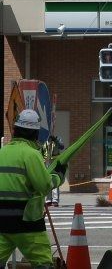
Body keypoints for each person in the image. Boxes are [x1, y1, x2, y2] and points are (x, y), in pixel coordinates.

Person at [0, 109, 67, 269]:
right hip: (27, 223)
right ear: (35, 133)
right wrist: (58, 175)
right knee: (43, 263)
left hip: (2, 223)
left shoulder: (2, 152)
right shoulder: (31, 155)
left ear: (15, 130)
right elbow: (44, 185)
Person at [42, 135, 64, 207]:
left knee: (54, 180)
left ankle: (55, 200)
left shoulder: (57, 139)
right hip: (46, 163)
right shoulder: (44, 140)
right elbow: (41, 151)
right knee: (47, 181)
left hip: (54, 163)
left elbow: (62, 147)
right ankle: (48, 200)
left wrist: (55, 140)